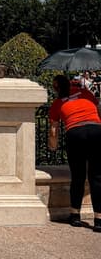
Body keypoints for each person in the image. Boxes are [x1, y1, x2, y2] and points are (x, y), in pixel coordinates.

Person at [48, 74, 101, 231]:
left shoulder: (57, 104)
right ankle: (99, 220)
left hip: (75, 133)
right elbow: (98, 109)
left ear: (56, 88)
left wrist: (53, 147)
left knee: (78, 176)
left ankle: (75, 216)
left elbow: (53, 129)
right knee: (97, 176)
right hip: (96, 130)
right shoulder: (85, 93)